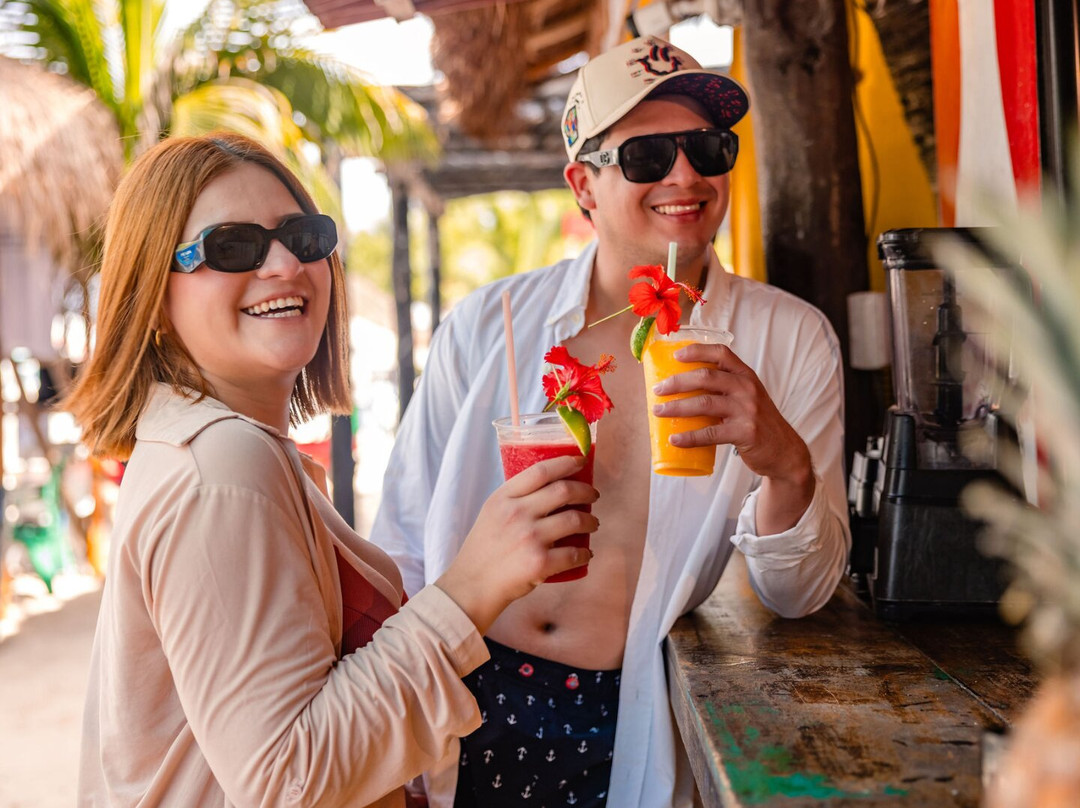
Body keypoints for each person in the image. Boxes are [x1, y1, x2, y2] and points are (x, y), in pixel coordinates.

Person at [370, 35, 851, 808]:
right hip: (469, 698)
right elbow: (402, 540)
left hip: (631, 714)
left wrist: (784, 465)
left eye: (706, 147)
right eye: (647, 157)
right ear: (583, 187)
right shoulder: (488, 324)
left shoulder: (790, 339)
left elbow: (798, 594)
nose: (687, 175)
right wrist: (396, 734)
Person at [66, 133, 598, 807]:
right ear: (153, 298)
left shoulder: (224, 447)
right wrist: (466, 591)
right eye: (233, 247)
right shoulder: (222, 467)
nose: (285, 263)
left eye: (304, 235)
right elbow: (288, 780)